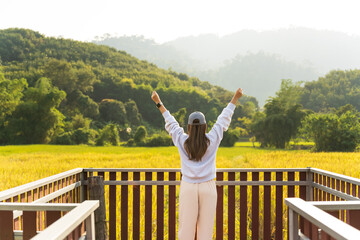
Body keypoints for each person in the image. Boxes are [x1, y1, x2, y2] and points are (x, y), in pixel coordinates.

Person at [151, 88, 243, 240]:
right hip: (208, 186)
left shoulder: (181, 140)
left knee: (185, 230)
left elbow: (171, 122)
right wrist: (235, 98)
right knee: (205, 231)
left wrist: (158, 102)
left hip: (188, 187)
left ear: (188, 127)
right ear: (205, 127)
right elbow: (223, 120)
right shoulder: (212, 139)